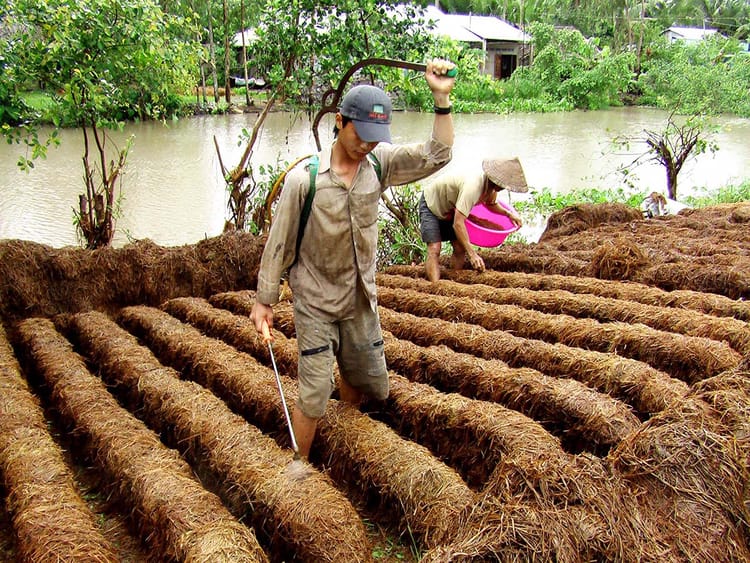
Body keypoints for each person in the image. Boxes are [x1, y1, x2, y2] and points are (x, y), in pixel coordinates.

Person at [250, 59, 456, 460]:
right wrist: (264, 300)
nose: (367, 145)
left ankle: (345, 438)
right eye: (361, 135)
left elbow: (438, 154)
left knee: (361, 377)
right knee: (312, 393)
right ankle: (299, 467)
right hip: (315, 304)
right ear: (341, 122)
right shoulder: (305, 180)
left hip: (361, 299)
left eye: (375, 138)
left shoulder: (379, 165)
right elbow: (279, 244)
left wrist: (441, 99)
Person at [419, 156, 527, 282]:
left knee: (459, 248)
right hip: (431, 204)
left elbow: (491, 204)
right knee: (434, 248)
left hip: (450, 209)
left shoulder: (491, 188)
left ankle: (454, 282)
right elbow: (458, 223)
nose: (504, 188)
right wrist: (472, 254)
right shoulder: (473, 187)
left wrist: (508, 214)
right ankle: (435, 287)